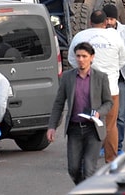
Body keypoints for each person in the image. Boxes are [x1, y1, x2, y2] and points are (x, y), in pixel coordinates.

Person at [47, 42, 113, 184]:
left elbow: (108, 102)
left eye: (84, 56)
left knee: (89, 169)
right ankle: (83, 188)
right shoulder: (67, 77)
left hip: (93, 130)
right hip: (75, 129)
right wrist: (52, 126)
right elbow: (59, 103)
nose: (81, 59)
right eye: (78, 56)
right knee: (74, 168)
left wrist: (98, 113)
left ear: (92, 57)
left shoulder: (100, 77)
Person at [67, 9, 125, 163]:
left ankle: (84, 160)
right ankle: (111, 160)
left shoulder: (80, 36)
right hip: (111, 88)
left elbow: (73, 60)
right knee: (110, 126)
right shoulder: (115, 36)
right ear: (106, 22)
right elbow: (123, 60)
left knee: (84, 124)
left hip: (86, 89)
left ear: (89, 22)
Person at [102, 3, 125, 156]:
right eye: (107, 19)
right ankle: (103, 145)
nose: (109, 22)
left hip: (120, 79)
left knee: (120, 115)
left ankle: (118, 146)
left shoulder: (124, 31)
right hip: (103, 80)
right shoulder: (100, 32)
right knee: (102, 115)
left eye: (111, 19)